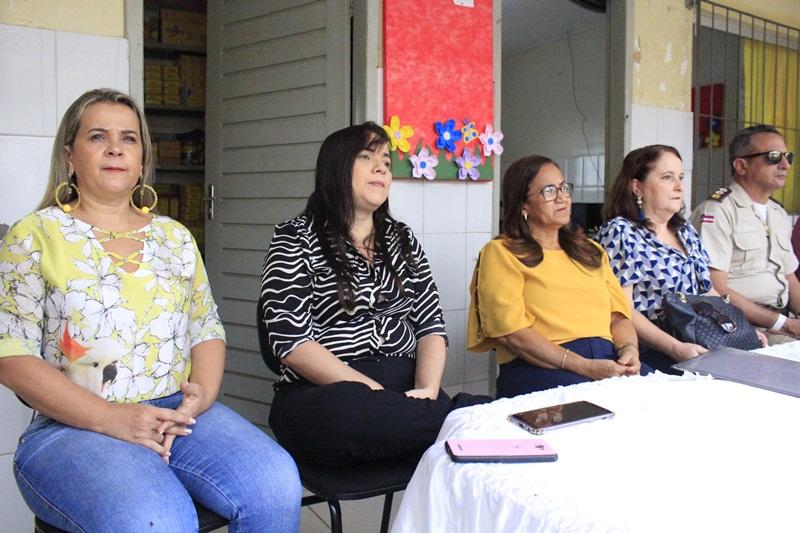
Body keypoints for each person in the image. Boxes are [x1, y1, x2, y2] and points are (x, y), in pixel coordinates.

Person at [0, 89, 301, 532]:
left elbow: (206, 327)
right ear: (70, 155)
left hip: (178, 411)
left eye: (129, 138)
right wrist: (111, 418)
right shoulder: (34, 234)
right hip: (75, 423)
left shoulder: (174, 237)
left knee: (275, 483)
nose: (116, 147)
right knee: (156, 519)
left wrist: (204, 394)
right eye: (98, 136)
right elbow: (11, 355)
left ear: (142, 160)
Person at [261, 122, 490, 468]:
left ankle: (445, 418)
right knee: (347, 412)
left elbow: (430, 324)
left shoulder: (403, 239)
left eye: (385, 160)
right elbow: (291, 344)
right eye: (366, 157)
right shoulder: (294, 238)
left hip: (405, 391)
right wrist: (378, 395)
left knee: (429, 438)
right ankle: (468, 417)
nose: (381, 167)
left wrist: (427, 389)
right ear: (335, 167)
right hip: (326, 390)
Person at [466, 155, 650, 398]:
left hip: (606, 360)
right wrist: (584, 366)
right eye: (549, 191)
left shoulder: (591, 251)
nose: (562, 197)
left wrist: (630, 351)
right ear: (523, 205)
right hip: (540, 368)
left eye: (564, 187)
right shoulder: (501, 253)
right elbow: (513, 335)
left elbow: (618, 318)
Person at [596, 145, 715, 373]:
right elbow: (622, 309)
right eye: (667, 178)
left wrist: (737, 328)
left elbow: (708, 291)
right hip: (652, 352)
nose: (679, 186)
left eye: (680, 177)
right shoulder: (621, 232)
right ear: (637, 186)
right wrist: (675, 347)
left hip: (698, 339)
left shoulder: (686, 231)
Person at [690, 124, 800, 344]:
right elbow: (715, 286)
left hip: (780, 322)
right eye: (773, 156)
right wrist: (782, 323)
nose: (784, 164)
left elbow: (791, 279)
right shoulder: (718, 210)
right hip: (739, 326)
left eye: (788, 157)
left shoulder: (777, 213)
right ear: (741, 166)